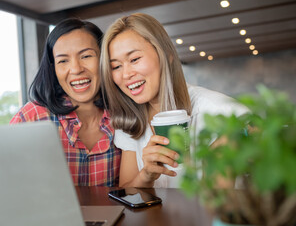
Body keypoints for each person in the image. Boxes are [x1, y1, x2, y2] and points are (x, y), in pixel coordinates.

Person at [100, 13, 248, 188]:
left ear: (167, 54)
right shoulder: (130, 121)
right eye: (116, 66)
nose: (126, 74)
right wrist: (146, 175)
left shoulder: (219, 110)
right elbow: (127, 192)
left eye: (134, 59)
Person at [10, 18, 121, 187]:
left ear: (103, 59)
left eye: (86, 56)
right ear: (53, 68)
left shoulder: (123, 116)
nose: (76, 69)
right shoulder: (32, 117)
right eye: (63, 61)